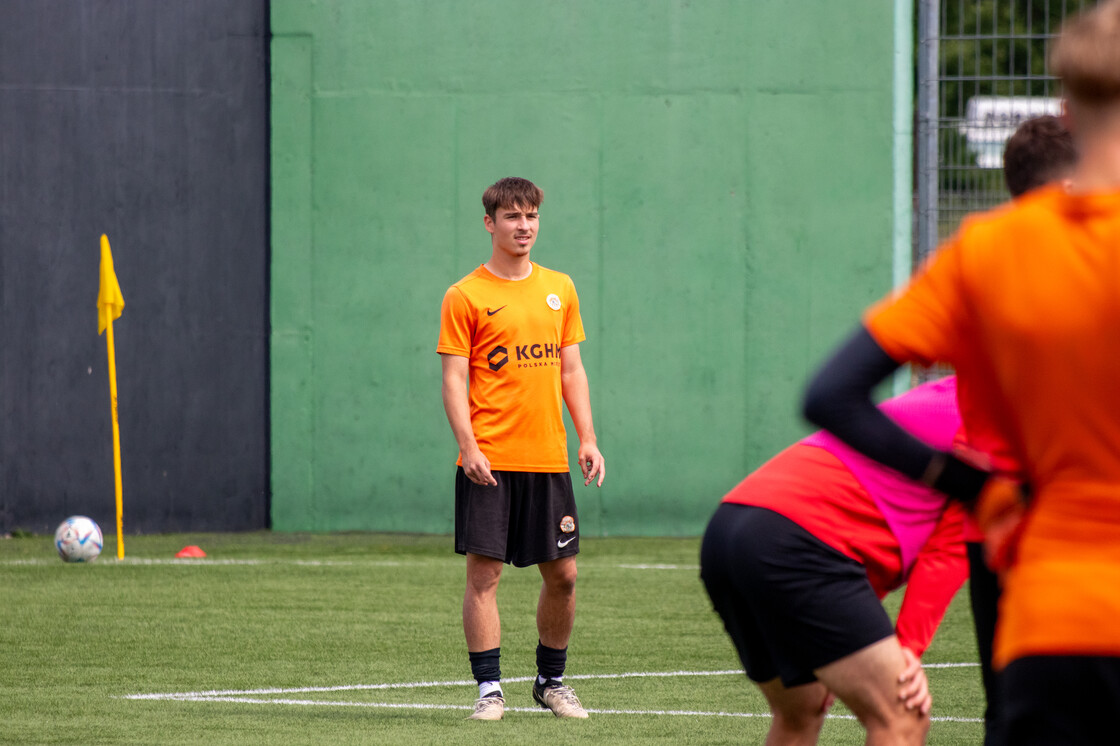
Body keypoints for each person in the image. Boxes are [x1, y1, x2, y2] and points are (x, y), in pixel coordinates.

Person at [802, 2, 1120, 742]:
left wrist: (972, 485)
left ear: (1066, 109)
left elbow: (832, 394)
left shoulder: (988, 251)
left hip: (1051, 620)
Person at [701, 375, 969, 745]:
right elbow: (950, 551)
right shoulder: (997, 421)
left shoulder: (945, 394)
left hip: (731, 525)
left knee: (800, 711)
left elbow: (864, 523)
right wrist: (908, 649)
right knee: (902, 717)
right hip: (798, 541)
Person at [437, 177, 605, 721]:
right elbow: (454, 379)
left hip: (548, 461)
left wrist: (588, 437)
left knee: (565, 576)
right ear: (490, 224)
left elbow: (571, 369)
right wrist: (469, 445)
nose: (523, 226)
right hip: (489, 463)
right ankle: (489, 691)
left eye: (530, 216)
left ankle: (551, 682)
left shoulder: (560, 288)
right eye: (512, 217)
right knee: (484, 577)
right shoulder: (465, 295)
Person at [964, 113, 1077, 746]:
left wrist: (950, 478)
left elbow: (834, 393)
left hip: (997, 507)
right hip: (1067, 514)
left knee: (1006, 704)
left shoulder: (976, 256)